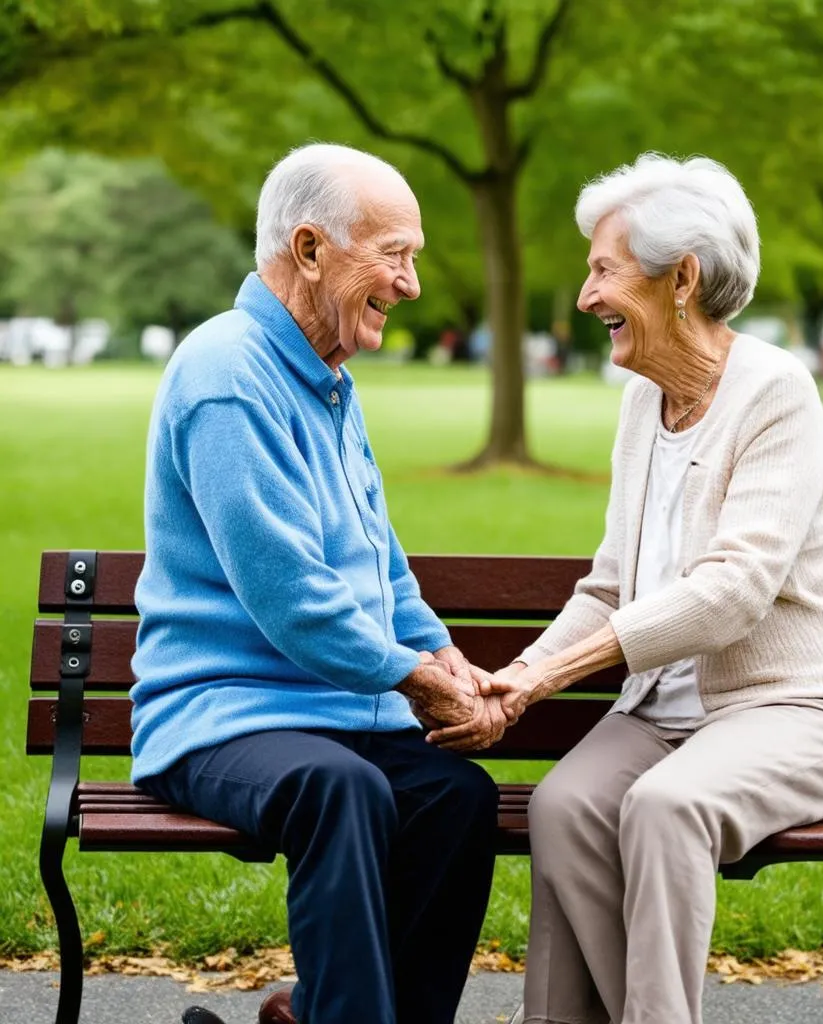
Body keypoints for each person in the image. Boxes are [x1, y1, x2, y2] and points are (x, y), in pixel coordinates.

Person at [427, 153, 823, 1024]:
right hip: (663, 712)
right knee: (565, 808)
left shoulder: (775, 395)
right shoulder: (643, 402)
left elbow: (733, 591)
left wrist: (549, 679)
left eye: (604, 270)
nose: (584, 298)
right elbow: (610, 586)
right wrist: (514, 678)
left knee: (666, 807)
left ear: (681, 278)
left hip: (806, 705)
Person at [130, 144, 508, 1024]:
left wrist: (447, 661)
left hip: (334, 717)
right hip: (221, 715)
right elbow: (292, 597)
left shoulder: (327, 378)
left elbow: (381, 561)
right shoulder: (227, 375)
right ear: (309, 250)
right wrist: (418, 682)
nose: (411, 284)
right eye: (394, 255)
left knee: (456, 799)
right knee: (344, 790)